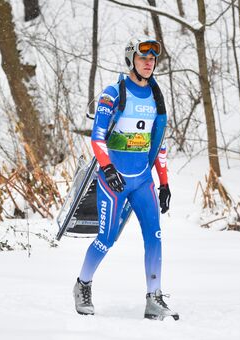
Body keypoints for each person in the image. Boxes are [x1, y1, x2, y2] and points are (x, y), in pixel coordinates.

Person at [73, 36, 178, 321]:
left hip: (142, 180)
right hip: (114, 180)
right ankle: (82, 285)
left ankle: (154, 298)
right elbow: (97, 138)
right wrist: (107, 169)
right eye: (143, 58)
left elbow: (158, 143)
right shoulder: (114, 92)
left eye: (153, 59)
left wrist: (164, 182)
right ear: (131, 59)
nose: (148, 63)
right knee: (106, 240)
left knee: (154, 236)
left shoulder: (156, 96)